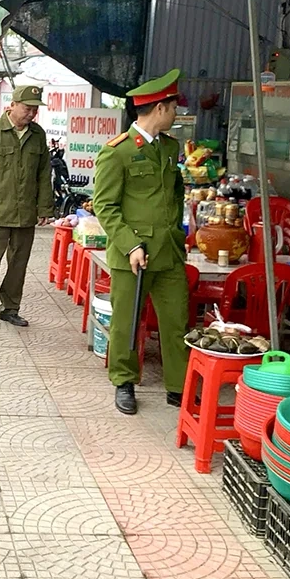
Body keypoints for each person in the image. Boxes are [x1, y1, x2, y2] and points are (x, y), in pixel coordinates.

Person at [92, 68, 189, 415]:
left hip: (169, 251)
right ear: (160, 108)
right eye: (173, 108)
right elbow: (104, 205)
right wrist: (131, 244)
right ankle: (124, 381)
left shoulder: (169, 147)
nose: (176, 114)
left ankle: (178, 386)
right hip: (134, 253)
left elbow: (174, 195)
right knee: (127, 322)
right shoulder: (117, 152)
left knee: (176, 321)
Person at [0, 85, 53, 331]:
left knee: (19, 263)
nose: (31, 113)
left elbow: (43, 174)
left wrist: (45, 208)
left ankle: (10, 308)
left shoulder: (37, 135)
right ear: (12, 105)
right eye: (27, 108)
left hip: (25, 212)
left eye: (35, 109)